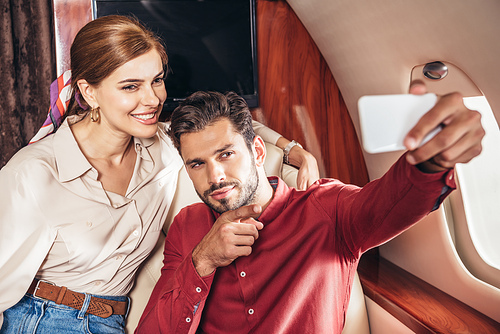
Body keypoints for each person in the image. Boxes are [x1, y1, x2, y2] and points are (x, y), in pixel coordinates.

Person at [0, 15, 320, 333]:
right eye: (130, 86)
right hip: (44, 319)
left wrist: (294, 151)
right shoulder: (32, 175)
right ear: (89, 92)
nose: (153, 99)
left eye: (156, 80)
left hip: (112, 321)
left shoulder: (162, 145)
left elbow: (226, 123)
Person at [135, 88, 485, 333]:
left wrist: (432, 161)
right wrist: (204, 260)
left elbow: (391, 202)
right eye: (197, 164)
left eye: (226, 154)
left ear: (258, 151)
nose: (215, 176)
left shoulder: (327, 209)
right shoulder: (188, 225)